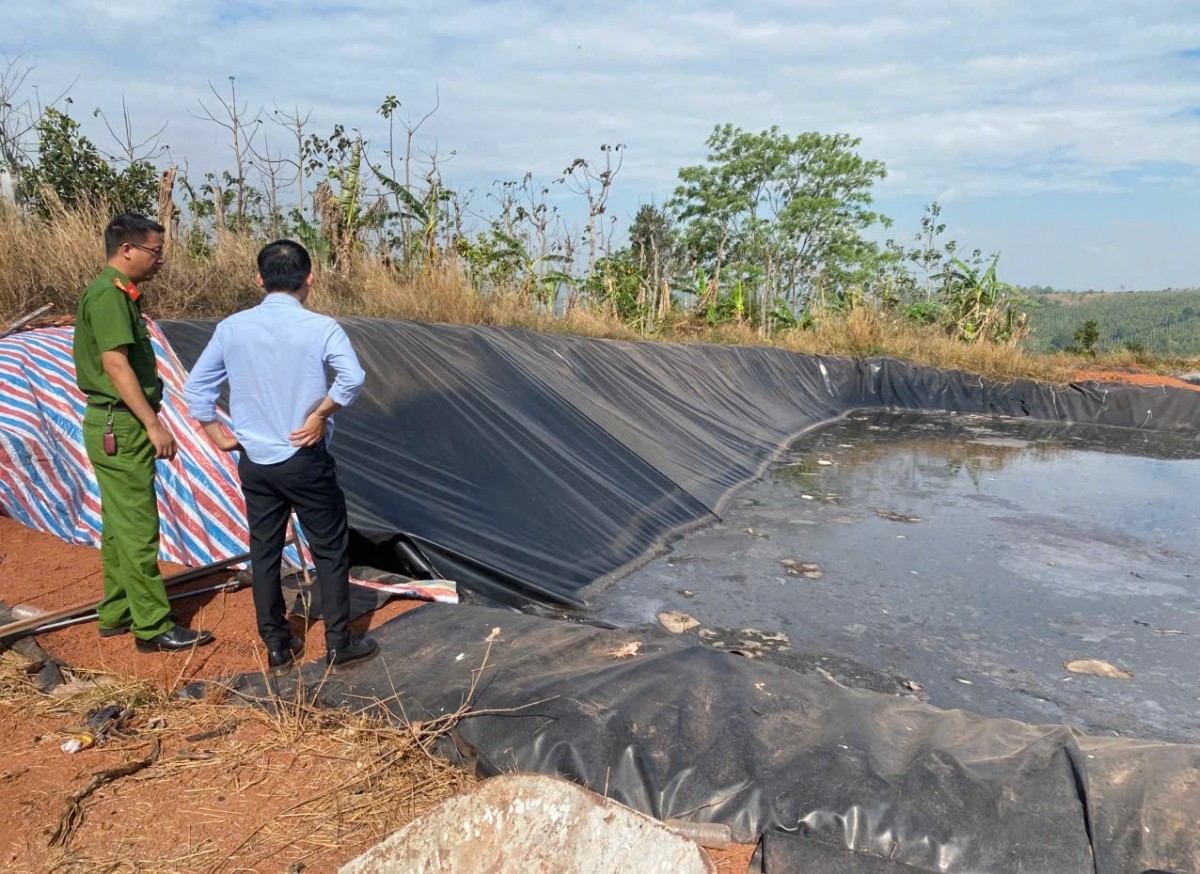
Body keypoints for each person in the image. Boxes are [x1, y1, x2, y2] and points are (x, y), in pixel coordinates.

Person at [184, 240, 378, 676]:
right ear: (310, 278)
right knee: (329, 549)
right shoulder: (321, 327)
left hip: (256, 461)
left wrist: (217, 434)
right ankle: (339, 643)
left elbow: (197, 388)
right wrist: (320, 414)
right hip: (305, 455)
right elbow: (352, 377)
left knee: (265, 551)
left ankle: (276, 644)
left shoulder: (232, 328)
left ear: (259, 279)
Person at [73, 213, 214, 652]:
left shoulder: (116, 295)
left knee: (119, 524)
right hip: (123, 422)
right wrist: (153, 424)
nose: (160, 260)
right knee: (137, 526)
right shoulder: (109, 296)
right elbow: (116, 365)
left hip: (114, 422)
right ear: (126, 250)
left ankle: (117, 611)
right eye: (155, 251)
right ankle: (152, 626)